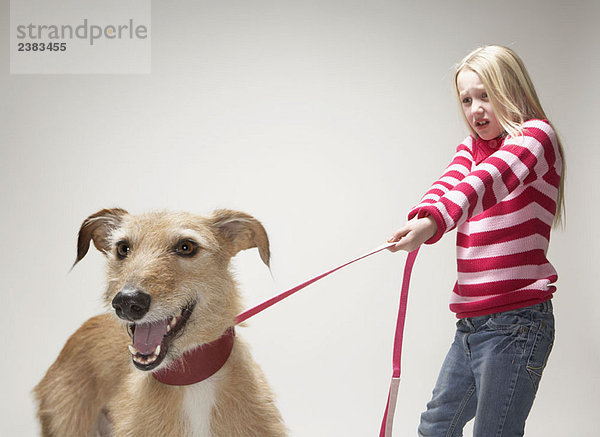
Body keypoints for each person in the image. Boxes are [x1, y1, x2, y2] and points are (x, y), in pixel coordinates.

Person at [387, 45, 565, 436]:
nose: (475, 110)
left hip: (518, 323)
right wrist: (422, 217)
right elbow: (449, 185)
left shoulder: (537, 138)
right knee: (436, 427)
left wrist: (434, 223)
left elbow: (483, 184)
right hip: (470, 324)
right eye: (466, 100)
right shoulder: (470, 148)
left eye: (485, 95)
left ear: (512, 91)